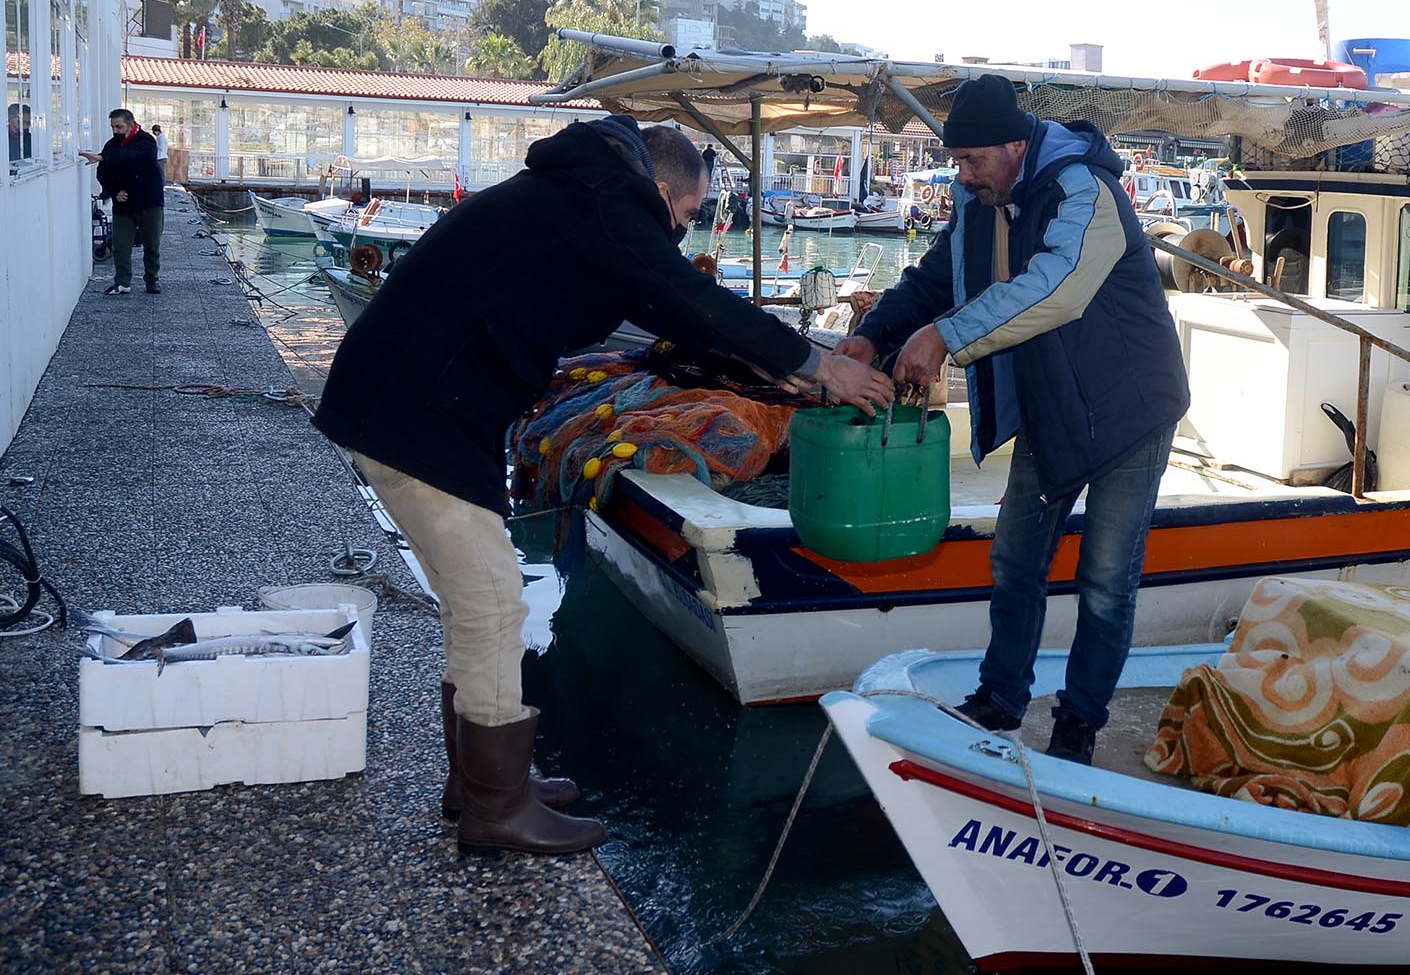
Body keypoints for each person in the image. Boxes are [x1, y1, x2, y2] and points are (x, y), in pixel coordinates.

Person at [312, 117, 893, 857]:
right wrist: (820, 365)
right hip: (415, 412)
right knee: (492, 603)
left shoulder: (579, 195)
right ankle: (496, 809)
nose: (683, 232)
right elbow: (688, 294)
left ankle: (485, 782)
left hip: (421, 402)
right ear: (660, 190)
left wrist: (781, 374)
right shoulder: (603, 203)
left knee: (474, 604)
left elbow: (677, 318)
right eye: (686, 215)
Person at [833, 75, 1189, 766]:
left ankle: (1079, 725)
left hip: (1131, 410)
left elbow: (1054, 285)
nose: (963, 177)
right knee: (1016, 558)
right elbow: (936, 279)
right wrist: (873, 336)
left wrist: (945, 339)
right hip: (1054, 406)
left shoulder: (1087, 190)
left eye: (974, 161)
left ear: (1017, 146)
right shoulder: (979, 200)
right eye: (956, 162)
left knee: (1106, 581)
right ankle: (1000, 698)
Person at [80, 109, 165, 295]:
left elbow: (130, 154)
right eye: (112, 127)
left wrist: (102, 157)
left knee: (152, 244)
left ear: (131, 123)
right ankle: (122, 282)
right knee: (121, 245)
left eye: (119, 126)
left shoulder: (146, 141)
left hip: (149, 201)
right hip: (123, 204)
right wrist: (114, 191)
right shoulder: (111, 144)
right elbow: (102, 173)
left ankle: (152, 279)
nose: (115, 130)